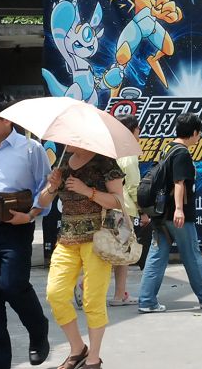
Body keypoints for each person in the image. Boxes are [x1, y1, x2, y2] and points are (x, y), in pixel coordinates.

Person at [0, 92, 52, 369]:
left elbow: (46, 187)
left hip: (16, 228)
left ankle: (38, 330)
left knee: (12, 285)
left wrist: (31, 214)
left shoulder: (31, 149)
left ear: (6, 120)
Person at [39, 131, 127, 369]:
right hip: (67, 240)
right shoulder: (63, 164)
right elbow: (43, 202)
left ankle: (93, 358)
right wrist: (51, 187)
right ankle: (78, 348)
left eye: (69, 137)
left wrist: (87, 190)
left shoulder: (104, 163)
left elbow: (119, 201)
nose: (64, 141)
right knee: (55, 294)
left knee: (92, 300)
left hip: (97, 240)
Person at [137, 113, 202, 313]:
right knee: (192, 254)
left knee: (157, 255)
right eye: (199, 133)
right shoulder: (182, 153)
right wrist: (179, 209)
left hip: (161, 214)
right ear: (194, 132)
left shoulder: (168, 148)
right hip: (176, 215)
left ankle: (147, 300)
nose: (200, 136)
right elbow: (179, 183)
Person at [108, 115, 143, 306]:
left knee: (115, 252)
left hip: (108, 206)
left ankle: (119, 294)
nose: (139, 133)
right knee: (121, 253)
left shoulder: (109, 150)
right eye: (138, 129)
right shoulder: (128, 153)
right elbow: (133, 186)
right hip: (123, 209)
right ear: (131, 130)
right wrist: (143, 210)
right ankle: (84, 284)